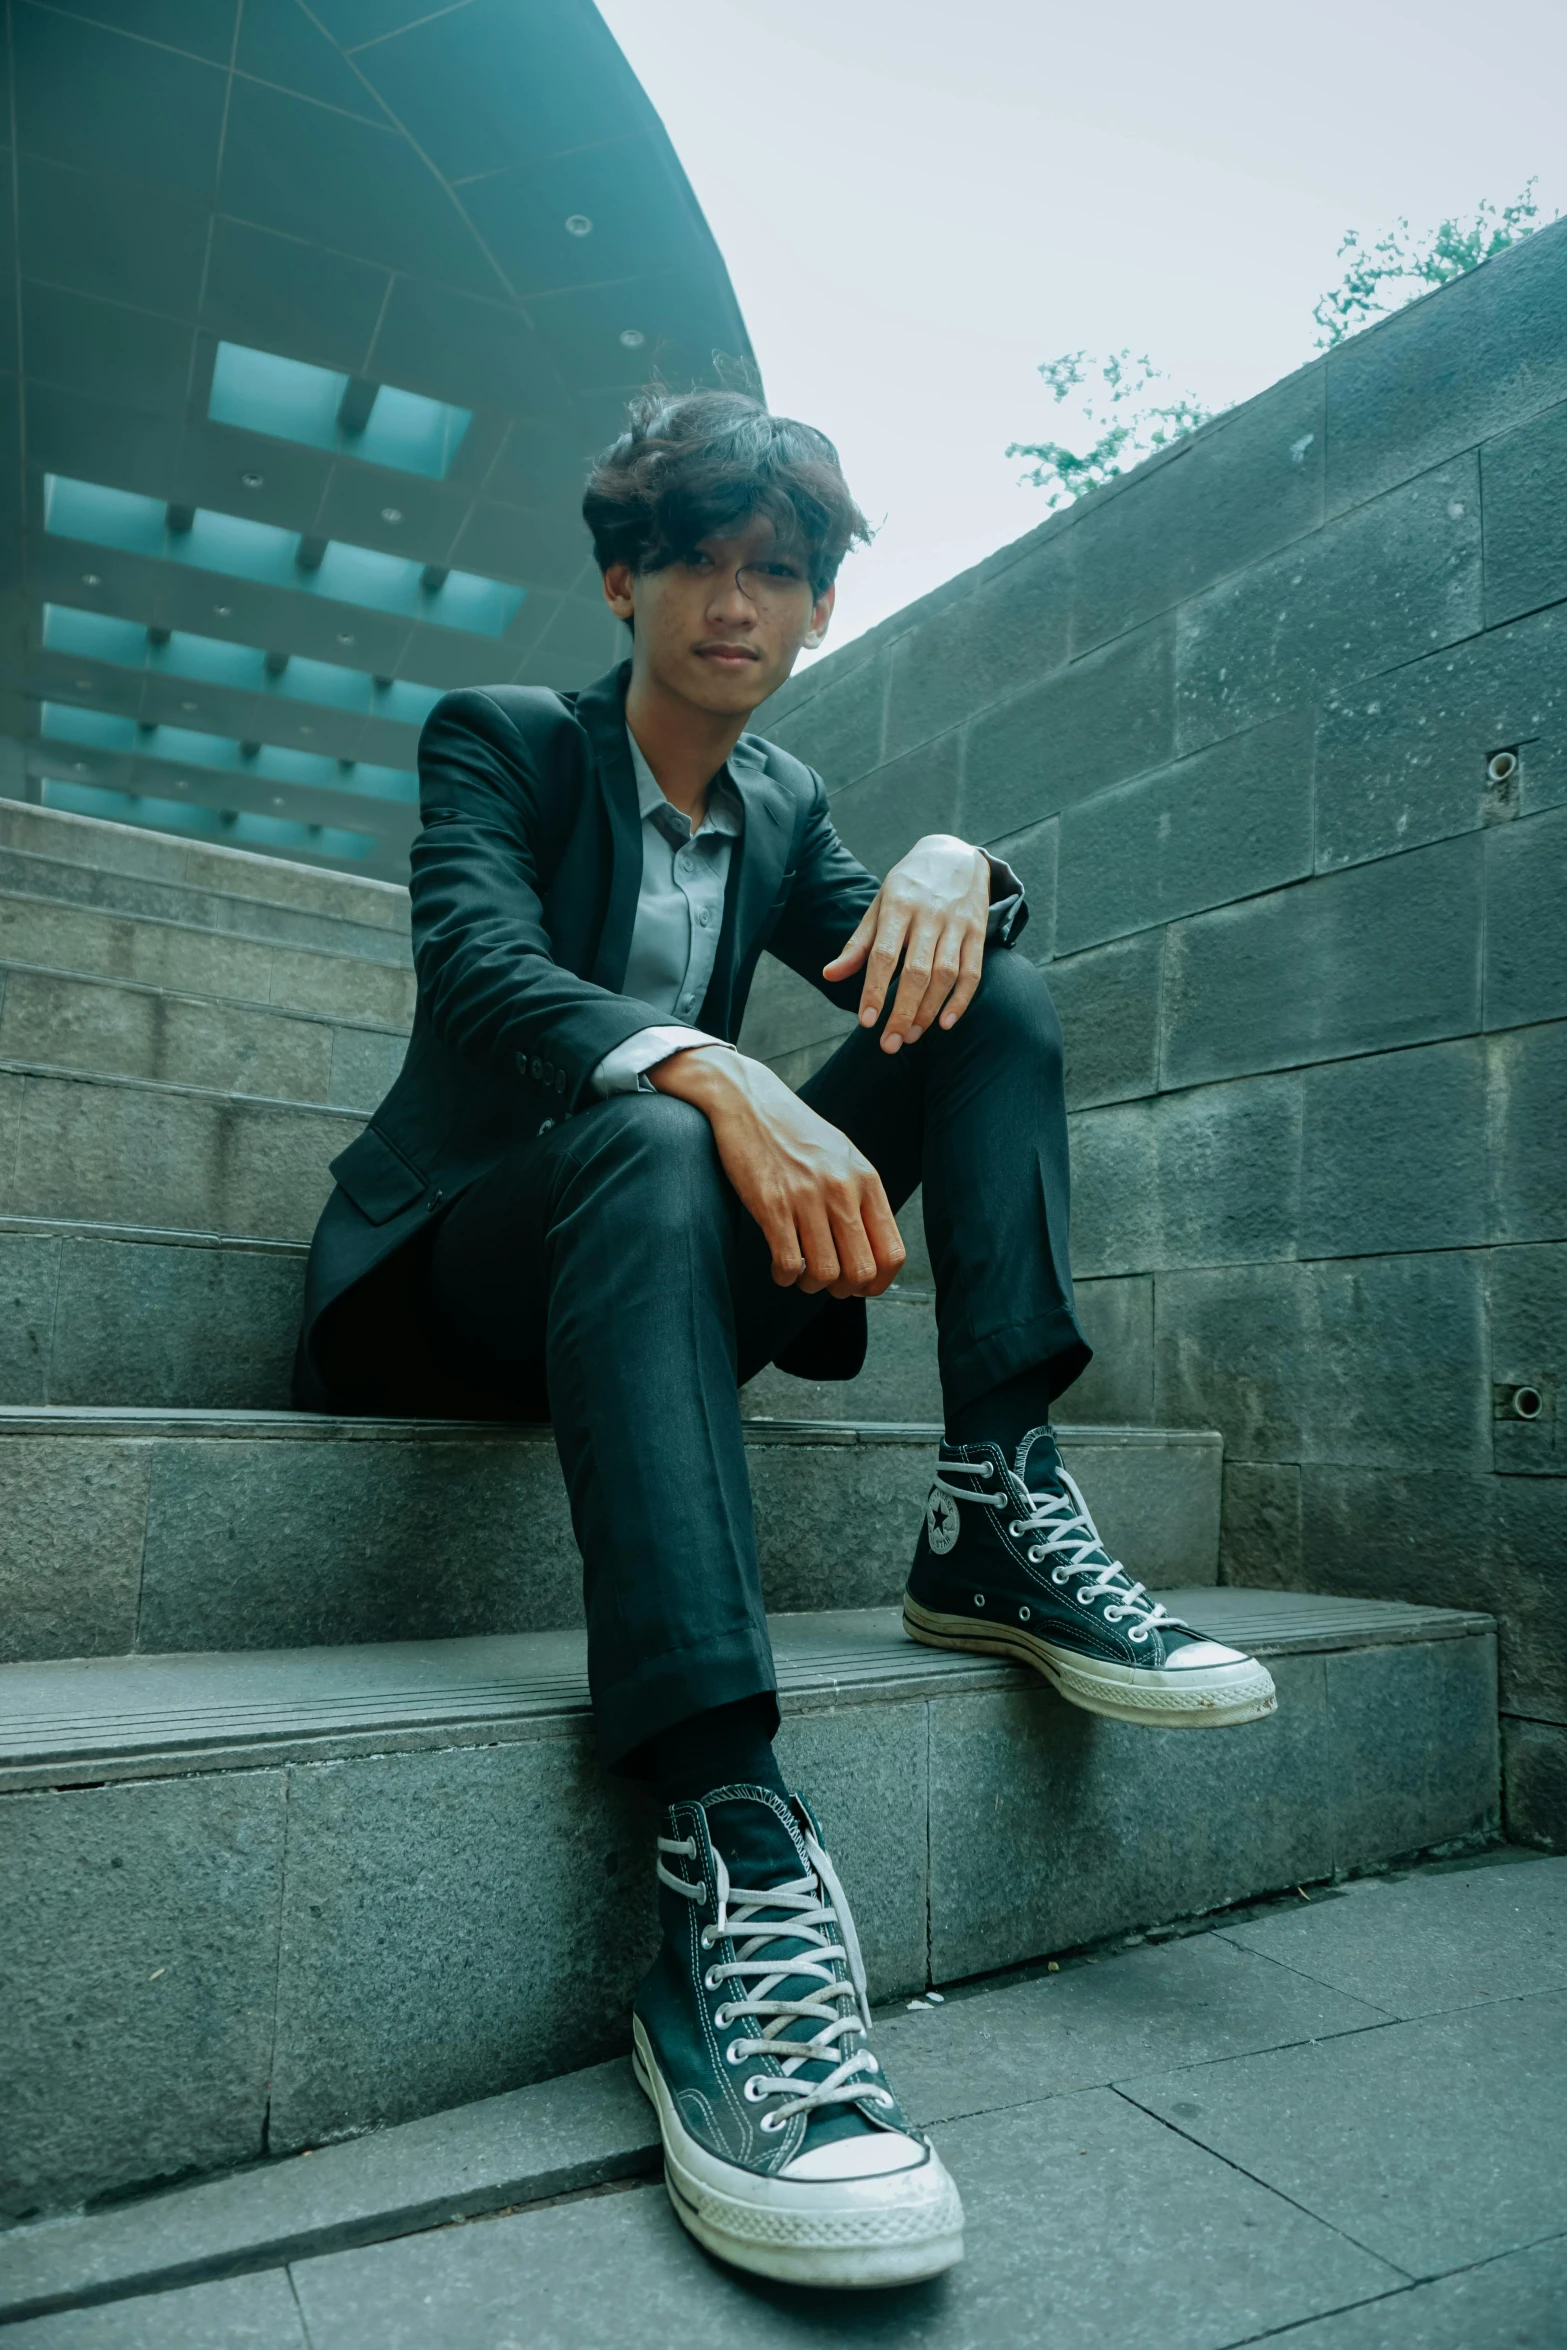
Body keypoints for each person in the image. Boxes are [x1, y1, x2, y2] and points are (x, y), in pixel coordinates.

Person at [294, 389, 1276, 2291]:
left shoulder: (785, 808)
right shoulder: (505, 744)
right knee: (665, 1123)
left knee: (991, 1005)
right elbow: (485, 966)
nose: (737, 601)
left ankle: (993, 1490)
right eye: (698, 561)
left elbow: (916, 969)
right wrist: (713, 1066)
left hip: (657, 1267)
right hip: (462, 1275)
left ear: (816, 611)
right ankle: (722, 1836)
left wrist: (953, 865)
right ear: (622, 578)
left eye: (778, 570)